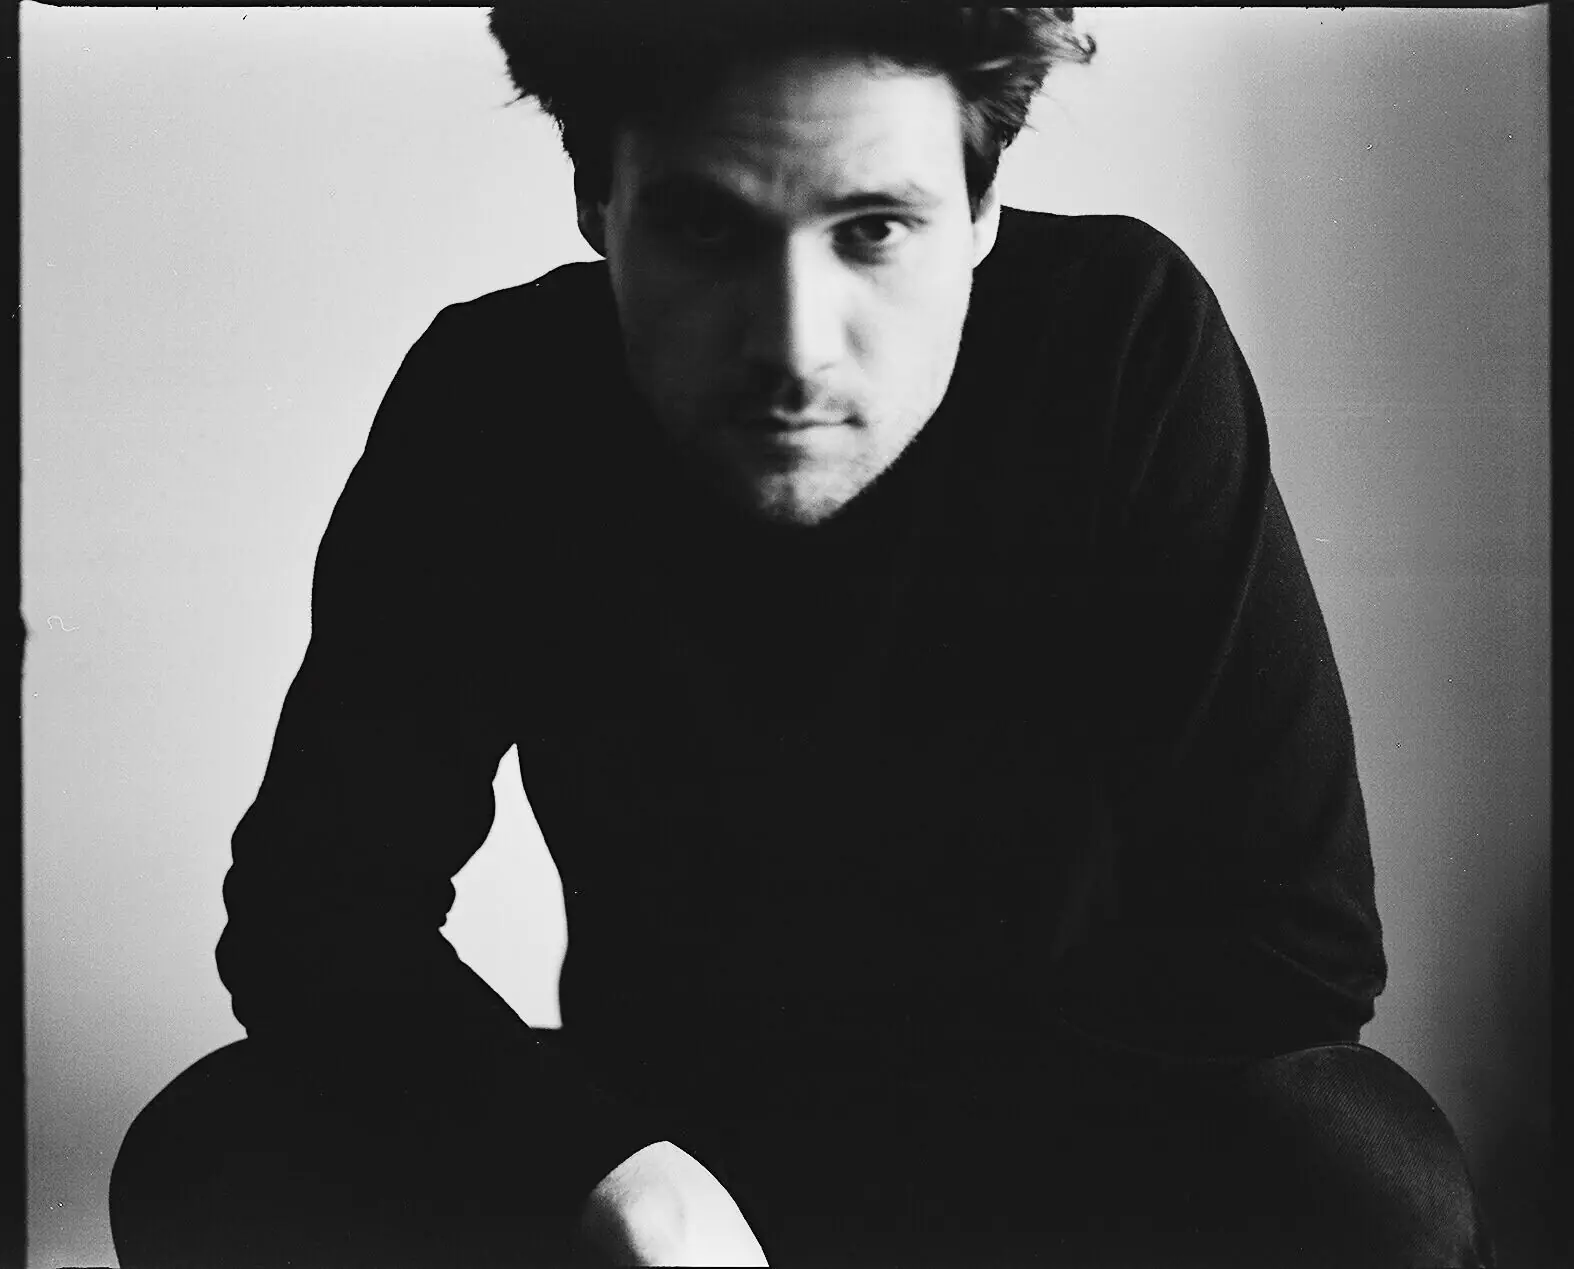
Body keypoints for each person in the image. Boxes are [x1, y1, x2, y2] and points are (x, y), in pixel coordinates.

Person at [110, 6, 1493, 1266]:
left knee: (1362, 1177)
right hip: (663, 1139)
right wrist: (610, 1176)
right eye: (706, 229)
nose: (794, 348)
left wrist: (939, 1198)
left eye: (874, 228)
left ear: (981, 210)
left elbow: (1291, 944)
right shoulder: (494, 401)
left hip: (1053, 1141)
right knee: (216, 1148)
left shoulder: (1115, 338)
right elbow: (316, 920)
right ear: (599, 206)